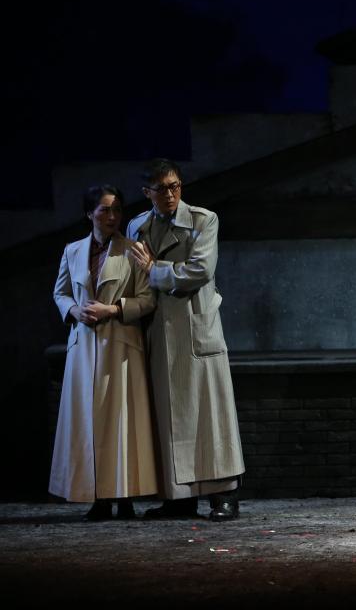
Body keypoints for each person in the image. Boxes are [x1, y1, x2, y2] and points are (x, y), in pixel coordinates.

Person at [126, 159, 245, 521]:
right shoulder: (138, 226)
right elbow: (134, 278)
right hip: (159, 331)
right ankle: (178, 498)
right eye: (161, 188)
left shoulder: (202, 220)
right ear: (147, 192)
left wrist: (154, 269)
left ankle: (224, 495)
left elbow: (200, 270)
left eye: (175, 186)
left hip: (195, 328)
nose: (170, 194)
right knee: (170, 416)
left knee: (210, 413)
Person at [50, 185, 158, 520]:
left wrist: (113, 309)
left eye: (117, 210)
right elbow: (61, 293)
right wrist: (74, 310)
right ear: (89, 213)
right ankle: (97, 497)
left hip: (121, 346)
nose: (112, 217)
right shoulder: (73, 251)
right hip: (84, 347)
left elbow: (148, 299)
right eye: (104, 210)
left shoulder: (133, 250)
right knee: (88, 423)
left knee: (121, 422)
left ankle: (124, 496)